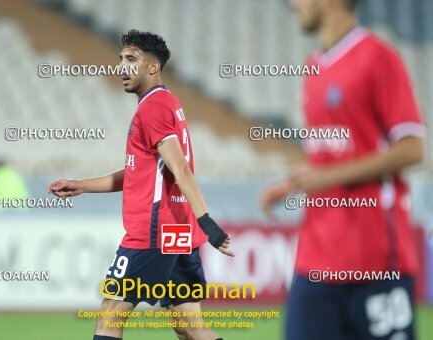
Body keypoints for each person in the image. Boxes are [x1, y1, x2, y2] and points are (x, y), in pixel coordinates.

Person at [48, 30, 233, 340]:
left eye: (131, 59)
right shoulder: (167, 102)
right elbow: (142, 172)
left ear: (152, 67)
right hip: (176, 230)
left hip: (152, 230)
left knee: (110, 313)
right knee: (189, 326)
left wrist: (208, 222)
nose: (122, 66)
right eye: (120, 59)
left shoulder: (153, 108)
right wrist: (82, 185)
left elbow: (181, 170)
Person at [261, 0, 425, 339]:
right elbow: (332, 157)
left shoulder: (378, 58)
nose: (293, 5)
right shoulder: (312, 69)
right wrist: (293, 183)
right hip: (316, 258)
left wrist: (326, 178)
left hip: (376, 260)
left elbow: (412, 147)